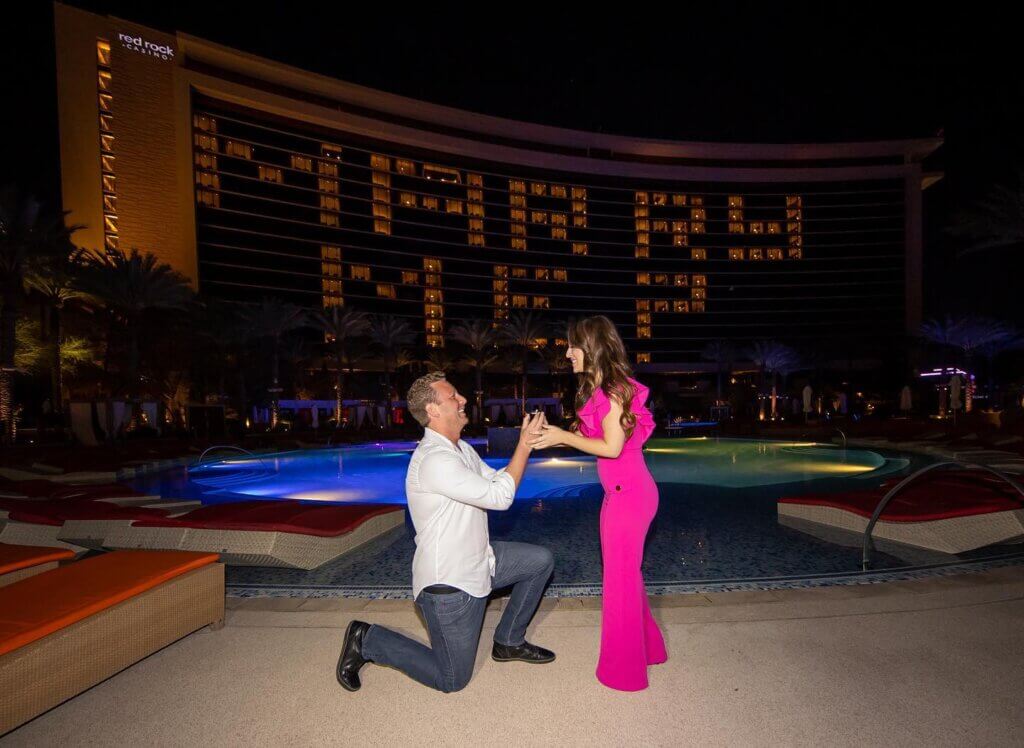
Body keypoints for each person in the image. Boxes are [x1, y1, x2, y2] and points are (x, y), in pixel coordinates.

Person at [336, 371, 555, 693]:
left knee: (539, 560)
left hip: (482, 561)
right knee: (452, 679)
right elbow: (500, 497)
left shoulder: (460, 449)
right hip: (450, 584)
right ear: (433, 410)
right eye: (453, 396)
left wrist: (523, 449)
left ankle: (508, 641)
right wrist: (523, 446)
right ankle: (366, 639)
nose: (463, 399)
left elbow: (496, 480)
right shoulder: (435, 460)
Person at [527, 315, 666, 691]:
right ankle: (649, 649)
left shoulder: (614, 390)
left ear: (592, 347)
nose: (568, 353)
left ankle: (624, 672)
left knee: (619, 580)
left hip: (630, 497)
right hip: (623, 494)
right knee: (627, 575)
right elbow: (600, 436)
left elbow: (612, 447)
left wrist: (563, 437)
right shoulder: (605, 389)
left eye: (573, 345)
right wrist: (557, 436)